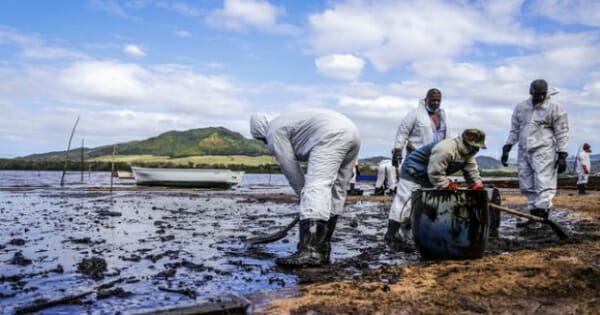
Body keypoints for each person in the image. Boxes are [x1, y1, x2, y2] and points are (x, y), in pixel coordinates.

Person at [249, 109, 360, 267]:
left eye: (262, 139)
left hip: (331, 134)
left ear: (261, 131)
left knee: (316, 186)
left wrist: (304, 196)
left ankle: (311, 251)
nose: (265, 143)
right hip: (352, 131)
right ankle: (323, 247)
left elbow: (290, 168)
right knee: (337, 190)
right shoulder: (286, 120)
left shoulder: (273, 131)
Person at [385, 129, 487, 246]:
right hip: (413, 171)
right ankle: (391, 234)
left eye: (477, 148)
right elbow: (435, 173)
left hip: (427, 176)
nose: (476, 150)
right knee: (405, 203)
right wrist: (447, 185)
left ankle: (406, 234)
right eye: (474, 147)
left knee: (418, 206)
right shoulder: (445, 149)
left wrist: (477, 186)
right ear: (466, 143)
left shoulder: (468, 155)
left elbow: (472, 172)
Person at [501, 79, 569, 228]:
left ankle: (541, 217)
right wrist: (507, 146)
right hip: (524, 150)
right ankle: (532, 215)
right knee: (527, 183)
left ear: (546, 93)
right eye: (536, 94)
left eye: (542, 94)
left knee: (544, 183)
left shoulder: (555, 108)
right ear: (531, 92)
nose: (539, 98)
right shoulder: (521, 108)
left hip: (544, 150)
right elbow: (515, 129)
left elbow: (562, 132)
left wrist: (562, 154)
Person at [391, 88, 448, 168]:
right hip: (416, 158)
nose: (436, 103)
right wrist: (397, 149)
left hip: (436, 159)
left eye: (438, 101)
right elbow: (403, 132)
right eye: (433, 100)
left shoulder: (442, 116)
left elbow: (446, 136)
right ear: (426, 99)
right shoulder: (415, 114)